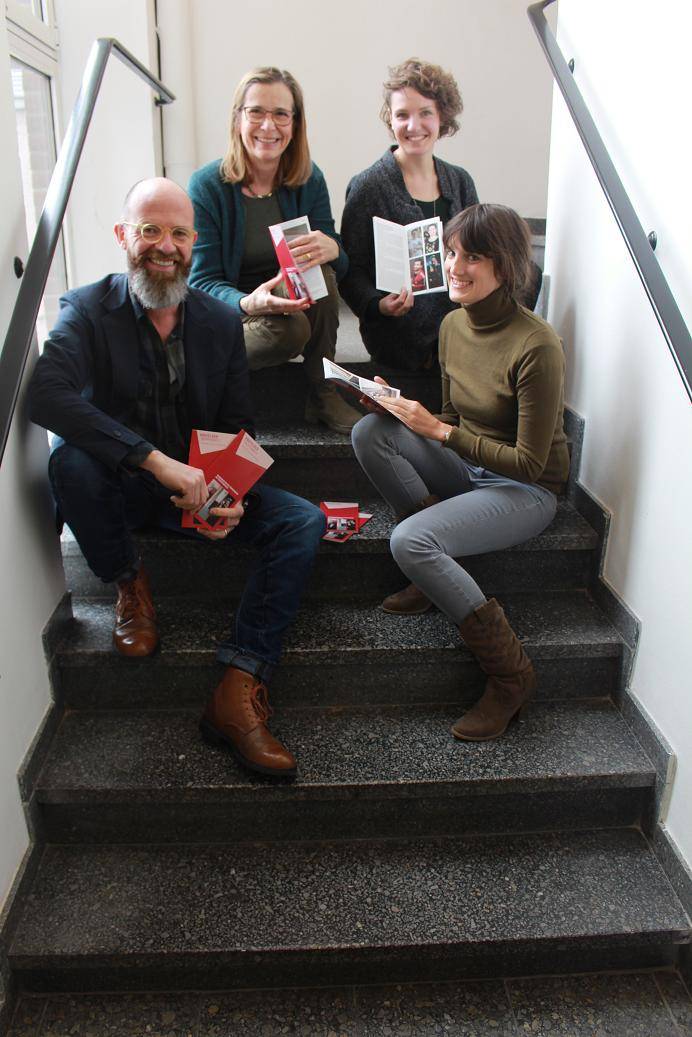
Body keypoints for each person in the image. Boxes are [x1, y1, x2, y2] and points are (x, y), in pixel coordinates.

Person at [27, 177, 326, 781]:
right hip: (121, 485)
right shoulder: (85, 309)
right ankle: (128, 582)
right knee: (71, 461)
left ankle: (239, 686)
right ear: (123, 237)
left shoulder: (218, 322)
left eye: (179, 233)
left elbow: (236, 427)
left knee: (304, 520)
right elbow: (46, 395)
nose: (165, 246)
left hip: (193, 486)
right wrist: (153, 460)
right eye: (150, 230)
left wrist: (228, 495)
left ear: (195, 242)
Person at [352, 204, 569, 741]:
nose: (454, 266)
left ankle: (510, 676)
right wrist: (398, 409)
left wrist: (441, 433)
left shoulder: (537, 345)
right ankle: (431, 569)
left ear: (507, 267)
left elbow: (530, 462)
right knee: (370, 433)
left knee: (410, 541)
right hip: (470, 466)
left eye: (473, 256)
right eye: (451, 252)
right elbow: (452, 418)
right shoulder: (452, 326)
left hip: (526, 489)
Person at [188, 67, 361, 434]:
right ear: (238, 119)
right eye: (257, 112)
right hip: (235, 309)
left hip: (291, 296)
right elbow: (201, 282)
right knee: (291, 331)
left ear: (295, 124)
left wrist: (333, 247)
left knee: (323, 271)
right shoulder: (207, 186)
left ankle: (323, 390)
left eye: (281, 114)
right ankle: (204, 372)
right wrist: (248, 302)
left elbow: (340, 265)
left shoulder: (308, 178)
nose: (269, 126)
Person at [339, 58, 478, 371]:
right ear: (391, 119)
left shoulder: (460, 181)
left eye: (425, 113)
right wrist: (377, 305)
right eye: (402, 115)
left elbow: (479, 255)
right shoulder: (368, 187)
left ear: (442, 115)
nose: (413, 126)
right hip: (400, 332)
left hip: (459, 323)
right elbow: (350, 271)